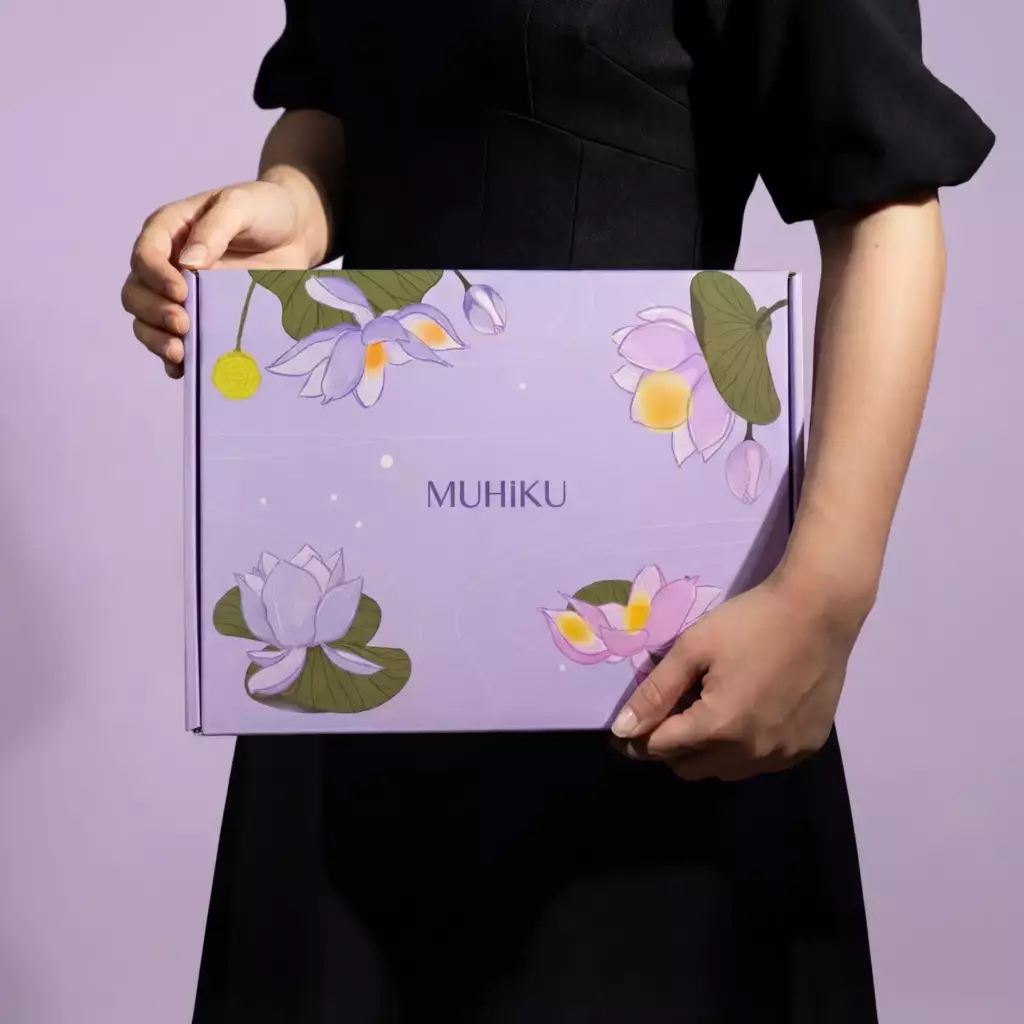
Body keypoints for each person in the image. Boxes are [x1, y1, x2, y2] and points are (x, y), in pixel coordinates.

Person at [123, 2, 993, 1021]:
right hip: (365, 625)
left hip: (637, 655)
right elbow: (343, 98)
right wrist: (294, 205)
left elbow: (884, 198)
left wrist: (824, 595)